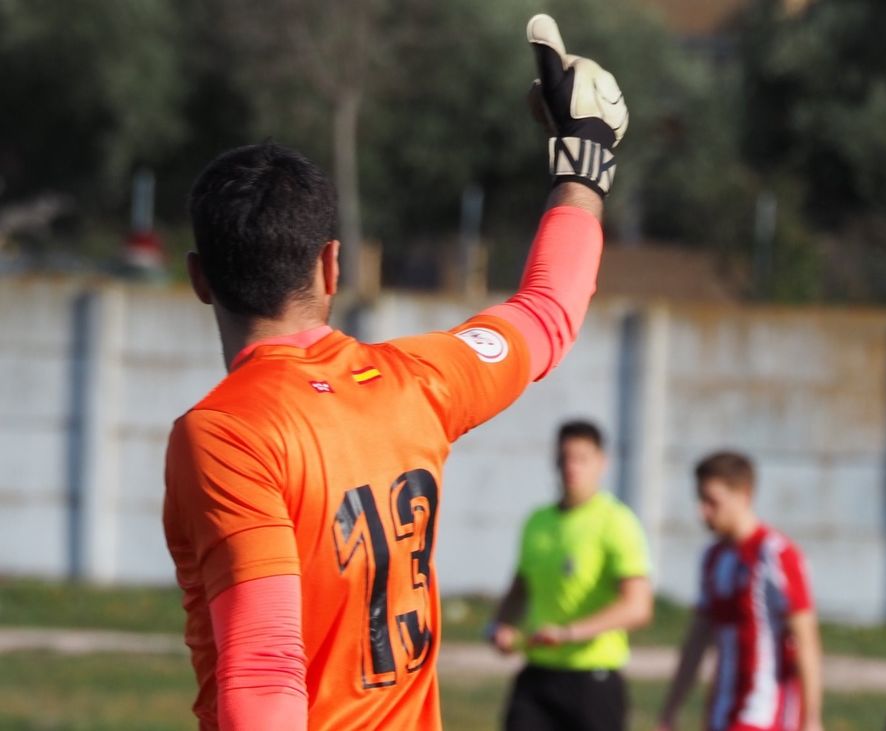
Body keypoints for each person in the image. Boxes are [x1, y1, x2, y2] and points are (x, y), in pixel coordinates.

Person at [161, 15, 628, 731]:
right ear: (330, 266)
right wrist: (584, 165)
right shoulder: (418, 382)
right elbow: (547, 312)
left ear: (199, 278)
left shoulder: (226, 434)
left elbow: (264, 668)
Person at [487, 420, 653, 731]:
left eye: (581, 459)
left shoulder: (616, 521)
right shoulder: (537, 521)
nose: (571, 468)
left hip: (593, 676)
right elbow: (519, 588)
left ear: (602, 463)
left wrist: (568, 633)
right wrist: (501, 626)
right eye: (564, 458)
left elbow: (637, 607)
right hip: (537, 673)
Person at [656, 451, 824, 731]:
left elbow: (806, 639)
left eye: (712, 501)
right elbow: (697, 640)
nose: (702, 511)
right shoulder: (712, 558)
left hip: (765, 711)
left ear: (744, 494)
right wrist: (671, 709)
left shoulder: (776, 554)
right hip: (722, 709)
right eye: (699, 500)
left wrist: (812, 719)